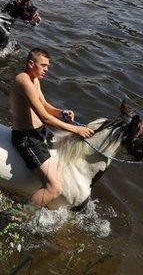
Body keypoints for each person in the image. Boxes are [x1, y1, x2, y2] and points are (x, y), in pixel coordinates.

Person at [10, 48, 94, 208]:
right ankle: (18, 215)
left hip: (40, 133)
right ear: (31, 63)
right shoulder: (24, 81)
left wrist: (61, 113)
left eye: (47, 66)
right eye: (44, 65)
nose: (47, 69)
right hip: (27, 139)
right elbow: (44, 117)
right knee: (54, 188)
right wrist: (76, 129)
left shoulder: (34, 80)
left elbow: (45, 106)